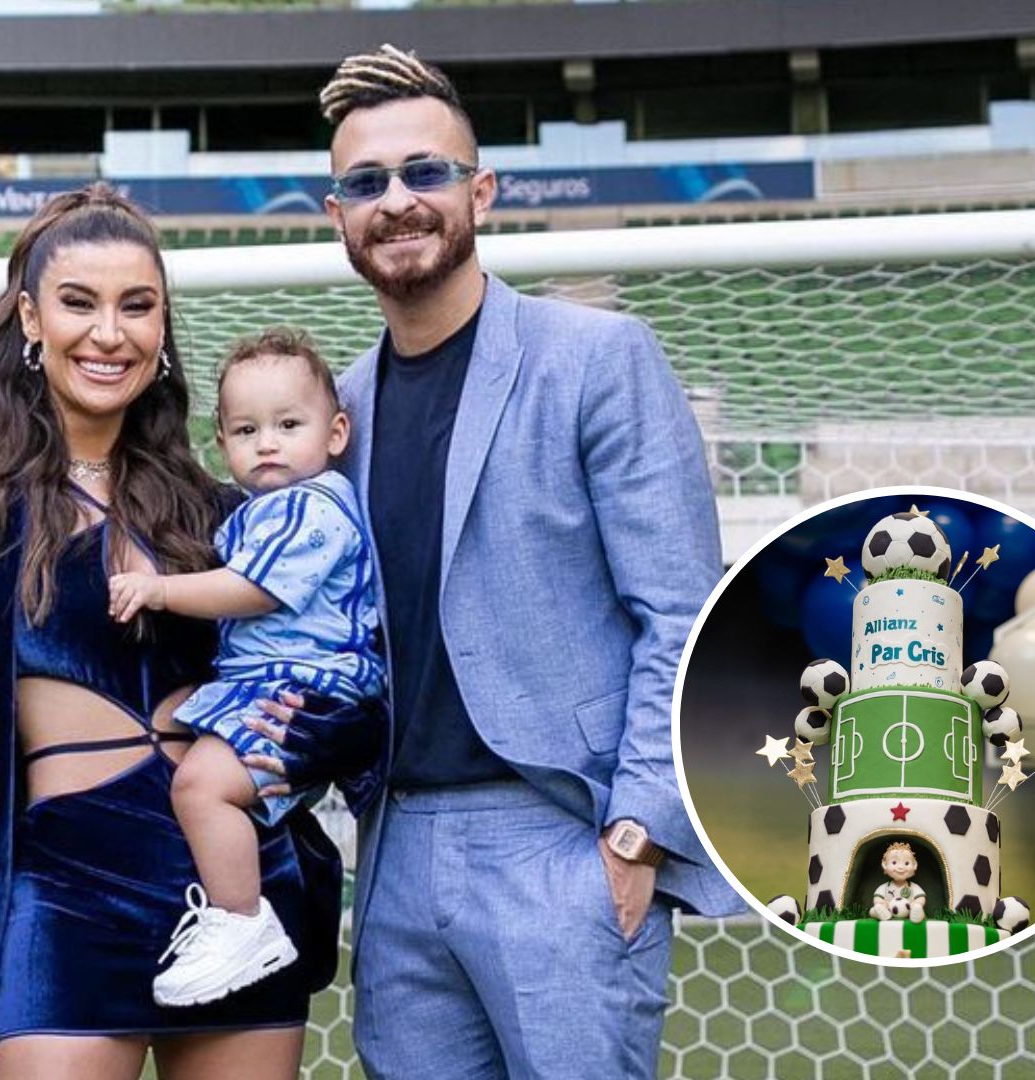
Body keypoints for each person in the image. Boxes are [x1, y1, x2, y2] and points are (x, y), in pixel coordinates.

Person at [267, 44, 749, 1080]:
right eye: (365, 183)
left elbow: (684, 613)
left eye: (424, 172)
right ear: (335, 213)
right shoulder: (335, 416)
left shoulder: (597, 360)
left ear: (480, 190)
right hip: (394, 854)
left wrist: (636, 837)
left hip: (561, 845)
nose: (396, 201)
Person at [0, 184, 364, 1080]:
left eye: (138, 306)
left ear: (164, 327)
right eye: (79, 303)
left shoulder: (228, 513)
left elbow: (324, 662)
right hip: (58, 892)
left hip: (229, 889)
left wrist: (341, 734)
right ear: (29, 315)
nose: (110, 333)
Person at [107, 329, 385, 1008]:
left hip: (303, 690)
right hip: (265, 679)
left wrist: (162, 589)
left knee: (201, 786)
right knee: (167, 734)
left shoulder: (312, 508)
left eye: (289, 425)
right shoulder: (263, 510)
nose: (267, 443)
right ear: (222, 442)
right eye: (246, 429)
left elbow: (253, 591)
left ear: (337, 431)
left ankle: (240, 922)